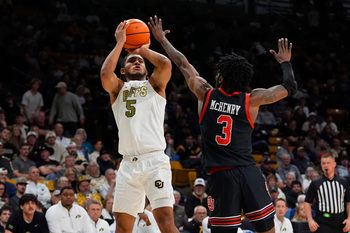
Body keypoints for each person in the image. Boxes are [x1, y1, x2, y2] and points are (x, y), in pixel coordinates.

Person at [149, 16, 297, 233]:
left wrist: (162, 40)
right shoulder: (252, 99)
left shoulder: (205, 93)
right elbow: (290, 86)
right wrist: (285, 62)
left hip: (220, 177)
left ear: (220, 75)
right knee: (268, 230)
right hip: (248, 172)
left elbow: (182, 63)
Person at [100, 19, 178, 233]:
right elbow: (106, 75)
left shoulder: (155, 86)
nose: (137, 62)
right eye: (131, 61)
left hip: (154, 161)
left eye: (140, 61)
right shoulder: (117, 90)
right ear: (123, 71)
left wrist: (142, 49)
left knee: (165, 222)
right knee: (123, 227)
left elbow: (165, 65)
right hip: (127, 165)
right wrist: (120, 43)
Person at [304, 151, 350, 233]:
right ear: (321, 165)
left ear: (334, 164)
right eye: (323, 163)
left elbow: (348, 202)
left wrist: (349, 219)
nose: (325, 165)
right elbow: (307, 202)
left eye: (328, 163)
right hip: (322, 221)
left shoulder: (344, 182)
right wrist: (310, 220)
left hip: (340, 221)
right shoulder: (315, 183)